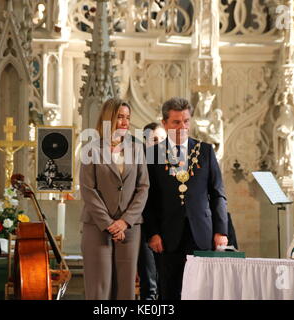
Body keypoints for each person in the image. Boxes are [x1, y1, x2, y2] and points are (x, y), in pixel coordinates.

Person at [143, 97, 229, 300]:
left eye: (186, 121)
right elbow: (148, 199)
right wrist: (152, 233)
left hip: (201, 233)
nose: (183, 126)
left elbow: (218, 194)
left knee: (201, 292)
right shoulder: (152, 154)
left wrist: (221, 231)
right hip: (166, 236)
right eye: (176, 122)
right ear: (164, 123)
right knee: (169, 292)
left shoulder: (205, 151)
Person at [80, 98, 149, 300]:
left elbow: (143, 187)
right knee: (99, 288)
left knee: (125, 289)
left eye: (127, 117)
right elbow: (88, 190)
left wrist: (124, 222)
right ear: (108, 118)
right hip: (97, 227)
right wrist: (109, 224)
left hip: (130, 229)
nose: (125, 122)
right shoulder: (90, 149)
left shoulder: (136, 149)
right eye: (120, 117)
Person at [138, 122, 166, 300]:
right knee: (150, 286)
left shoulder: (172, 167)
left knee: (168, 285)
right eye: (154, 140)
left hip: (169, 232)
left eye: (163, 139)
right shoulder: (139, 165)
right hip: (145, 230)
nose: (159, 144)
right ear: (145, 142)